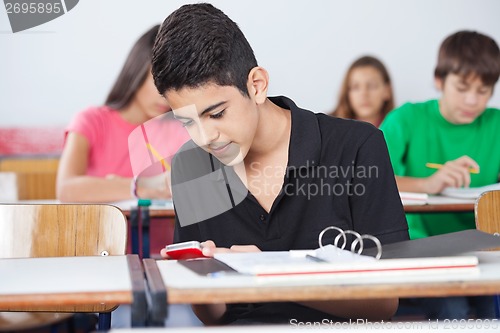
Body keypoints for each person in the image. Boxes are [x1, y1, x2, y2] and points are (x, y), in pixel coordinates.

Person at [153, 3, 408, 325]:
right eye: (186, 122)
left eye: (216, 114)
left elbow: (385, 301)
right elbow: (216, 318)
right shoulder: (192, 167)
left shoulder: (357, 146)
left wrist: (271, 271)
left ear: (256, 85)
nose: (205, 137)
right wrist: (201, 279)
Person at [380, 30, 500, 320]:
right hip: (421, 246)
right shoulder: (406, 119)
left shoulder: (495, 124)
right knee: (453, 309)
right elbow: (368, 179)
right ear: (439, 80)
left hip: (486, 246)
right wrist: (427, 184)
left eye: (483, 91)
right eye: (462, 88)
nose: (472, 100)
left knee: (491, 308)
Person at [57, 25, 188, 203]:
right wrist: (145, 186)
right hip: (101, 230)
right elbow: (66, 189)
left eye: (176, 86)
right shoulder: (91, 121)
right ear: (137, 70)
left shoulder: (180, 129)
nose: (166, 97)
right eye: (160, 82)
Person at [330, 56, 394, 127]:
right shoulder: (328, 127)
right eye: (355, 87)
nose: (364, 94)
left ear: (387, 90)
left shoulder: (400, 128)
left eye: (372, 86)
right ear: (347, 92)